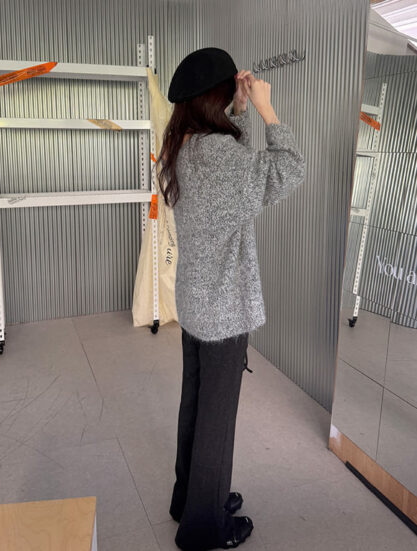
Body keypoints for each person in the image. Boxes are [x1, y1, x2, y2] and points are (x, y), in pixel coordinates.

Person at [156, 47, 305, 551]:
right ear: (216, 97)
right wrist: (265, 109)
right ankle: (204, 529)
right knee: (217, 421)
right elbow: (288, 169)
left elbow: (232, 169)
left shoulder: (183, 146)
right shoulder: (220, 156)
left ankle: (190, 499)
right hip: (222, 309)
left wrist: (237, 112)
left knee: (195, 406)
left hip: (196, 301)